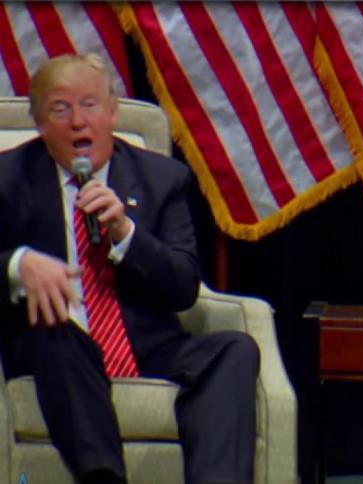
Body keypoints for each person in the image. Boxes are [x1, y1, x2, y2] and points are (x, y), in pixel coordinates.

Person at [0, 53, 259, 483]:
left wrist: (126, 234)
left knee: (234, 349)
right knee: (56, 328)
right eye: (60, 109)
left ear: (113, 112)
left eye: (90, 105)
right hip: (55, 345)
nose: (78, 122)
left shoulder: (162, 178)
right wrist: (17, 264)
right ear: (40, 124)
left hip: (145, 346)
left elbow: (183, 287)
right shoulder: (8, 179)